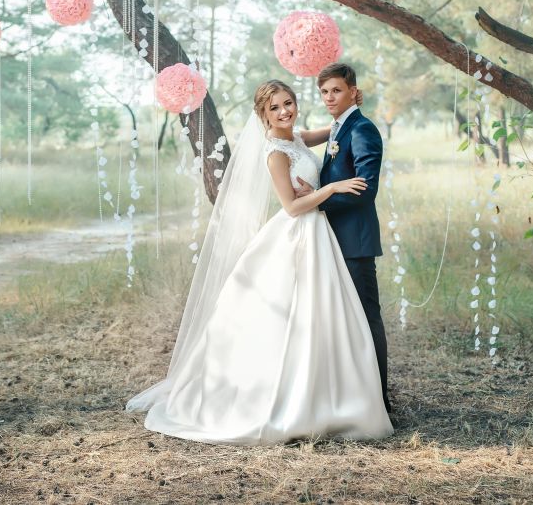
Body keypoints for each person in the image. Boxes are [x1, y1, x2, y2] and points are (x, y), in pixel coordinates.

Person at [125, 79, 393, 445]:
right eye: (275, 108)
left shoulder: (295, 138)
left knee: (321, 316)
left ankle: (331, 392)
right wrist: (330, 188)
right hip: (298, 231)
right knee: (288, 316)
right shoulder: (276, 153)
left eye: (289, 103)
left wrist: (349, 107)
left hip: (319, 235)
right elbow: (292, 206)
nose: (284, 111)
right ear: (263, 114)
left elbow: (334, 130)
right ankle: (283, 397)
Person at [297, 62, 391, 412]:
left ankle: (380, 399)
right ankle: (352, 395)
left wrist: (319, 201)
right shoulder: (338, 128)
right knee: (339, 320)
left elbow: (364, 190)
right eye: (323, 92)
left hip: (354, 241)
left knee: (367, 317)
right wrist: (319, 191)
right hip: (331, 239)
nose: (329, 98)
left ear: (353, 90)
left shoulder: (363, 130)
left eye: (336, 90)